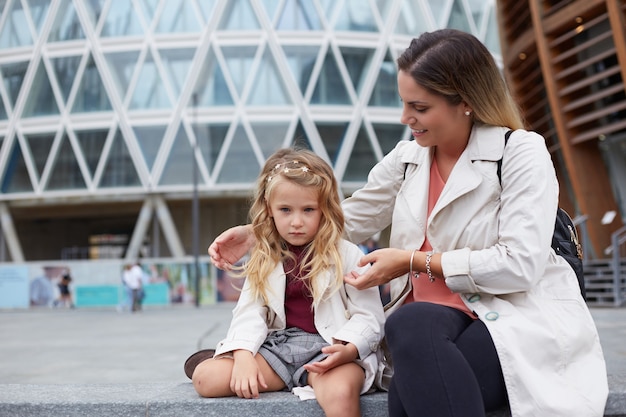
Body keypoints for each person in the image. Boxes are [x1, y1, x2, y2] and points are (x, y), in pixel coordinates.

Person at [207, 29, 608, 417]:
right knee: (412, 328)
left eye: (419, 108)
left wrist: (414, 262)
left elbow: (518, 265)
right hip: (423, 331)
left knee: (411, 381)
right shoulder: (408, 158)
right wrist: (259, 232)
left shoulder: (520, 152)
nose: (406, 118)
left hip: (507, 320)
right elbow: (341, 220)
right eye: (404, 104)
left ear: (465, 101)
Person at [191, 148, 385, 417]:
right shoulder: (265, 255)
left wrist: (349, 348)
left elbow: (369, 316)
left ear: (324, 210)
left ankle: (235, 357)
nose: (296, 222)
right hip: (279, 350)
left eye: (308, 210)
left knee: (341, 395)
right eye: (285, 210)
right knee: (205, 378)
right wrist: (245, 354)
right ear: (269, 210)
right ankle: (230, 355)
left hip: (331, 347)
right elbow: (249, 311)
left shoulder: (347, 254)